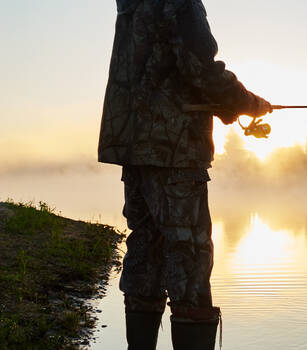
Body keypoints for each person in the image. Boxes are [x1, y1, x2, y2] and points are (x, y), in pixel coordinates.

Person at [98, 1, 270, 348]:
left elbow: (166, 72)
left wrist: (229, 109)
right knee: (188, 255)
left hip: (133, 143)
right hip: (174, 148)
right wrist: (248, 102)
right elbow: (199, 69)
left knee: (146, 247)